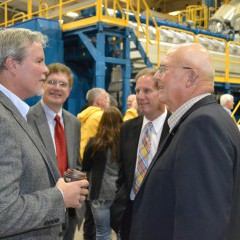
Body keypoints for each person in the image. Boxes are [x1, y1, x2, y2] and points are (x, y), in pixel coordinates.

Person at [129, 43, 240, 240]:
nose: (156, 77)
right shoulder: (200, 120)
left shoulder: (203, 125)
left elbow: (201, 225)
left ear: (190, 77)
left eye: (163, 69)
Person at [0, 28, 88, 239]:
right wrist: (59, 197)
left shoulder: (14, 115)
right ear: (13, 64)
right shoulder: (3, 120)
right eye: (39, 61)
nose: (45, 70)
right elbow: (3, 213)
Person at [110, 68, 170, 239]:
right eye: (137, 91)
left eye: (147, 90)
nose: (140, 96)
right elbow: (122, 173)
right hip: (129, 215)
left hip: (162, 218)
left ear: (161, 92)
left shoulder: (177, 128)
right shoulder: (127, 128)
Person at [27, 63, 83, 240]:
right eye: (52, 82)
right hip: (40, 214)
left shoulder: (74, 122)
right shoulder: (26, 119)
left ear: (69, 89)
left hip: (69, 213)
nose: (57, 88)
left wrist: (78, 198)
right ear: (42, 84)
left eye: (63, 84)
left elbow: (74, 164)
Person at [82, 106, 123, 240]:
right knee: (121, 233)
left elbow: (86, 167)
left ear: (102, 121)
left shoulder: (94, 143)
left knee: (102, 232)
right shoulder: (125, 142)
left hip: (99, 193)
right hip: (120, 194)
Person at [77, 88, 110, 240]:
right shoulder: (100, 116)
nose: (109, 101)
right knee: (100, 221)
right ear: (98, 101)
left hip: (83, 167)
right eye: (106, 98)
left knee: (88, 216)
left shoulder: (82, 116)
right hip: (98, 170)